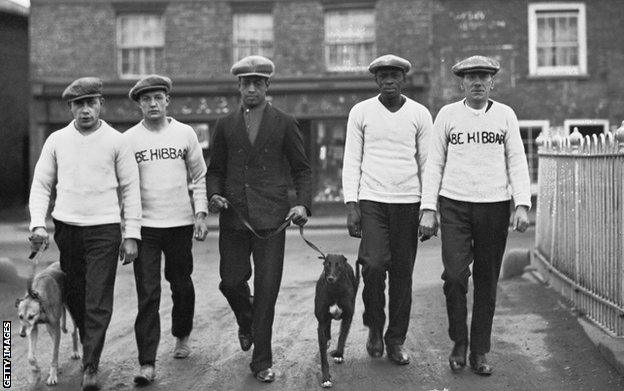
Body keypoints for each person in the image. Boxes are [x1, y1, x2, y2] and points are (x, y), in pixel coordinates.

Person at [419, 55, 531, 376]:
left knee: (486, 283)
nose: (478, 82)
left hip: (495, 206)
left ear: (493, 81)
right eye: (471, 77)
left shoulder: (506, 116)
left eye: (484, 76)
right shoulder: (448, 115)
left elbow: (517, 162)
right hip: (454, 205)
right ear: (462, 82)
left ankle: (480, 351)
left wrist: (521, 204)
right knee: (454, 277)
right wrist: (429, 208)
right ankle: (459, 342)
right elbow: (434, 164)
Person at [28, 77, 141, 391]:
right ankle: (89, 347)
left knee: (98, 298)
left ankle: (91, 366)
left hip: (104, 229)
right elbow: (41, 185)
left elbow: (131, 190)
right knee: (76, 295)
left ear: (101, 104)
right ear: (70, 107)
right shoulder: (56, 141)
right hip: (68, 229)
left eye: (91, 103)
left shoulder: (117, 141)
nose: (86, 110)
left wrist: (131, 234)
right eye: (79, 104)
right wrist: (38, 223)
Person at [206, 55, 312, 383]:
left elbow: (302, 170)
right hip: (235, 218)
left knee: (267, 291)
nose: (251, 89)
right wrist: (214, 194)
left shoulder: (285, 122)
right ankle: (245, 318)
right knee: (231, 281)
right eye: (245, 83)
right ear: (238, 86)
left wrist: (303, 206)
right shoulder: (224, 125)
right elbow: (216, 170)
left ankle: (262, 360)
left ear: (267, 86)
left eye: (257, 83)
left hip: (272, 219)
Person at [341, 54, 432, 365]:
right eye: (383, 76)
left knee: (403, 276)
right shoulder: (361, 112)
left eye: (395, 75)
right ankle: (375, 328)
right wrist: (352, 204)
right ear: (376, 80)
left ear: (404, 79)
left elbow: (427, 163)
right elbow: (351, 159)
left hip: (409, 201)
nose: (389, 81)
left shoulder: (419, 114)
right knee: (374, 266)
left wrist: (429, 208)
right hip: (372, 200)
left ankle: (396, 340)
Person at [124, 75, 209, 385]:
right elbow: (125, 187)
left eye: (158, 97)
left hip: (179, 223)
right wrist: (129, 232)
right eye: (146, 99)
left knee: (181, 284)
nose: (153, 103)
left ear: (167, 100)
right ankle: (146, 362)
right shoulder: (129, 139)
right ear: (139, 104)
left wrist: (200, 213)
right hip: (146, 227)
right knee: (148, 293)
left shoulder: (185, 134)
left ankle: (182, 334)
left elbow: (199, 176)